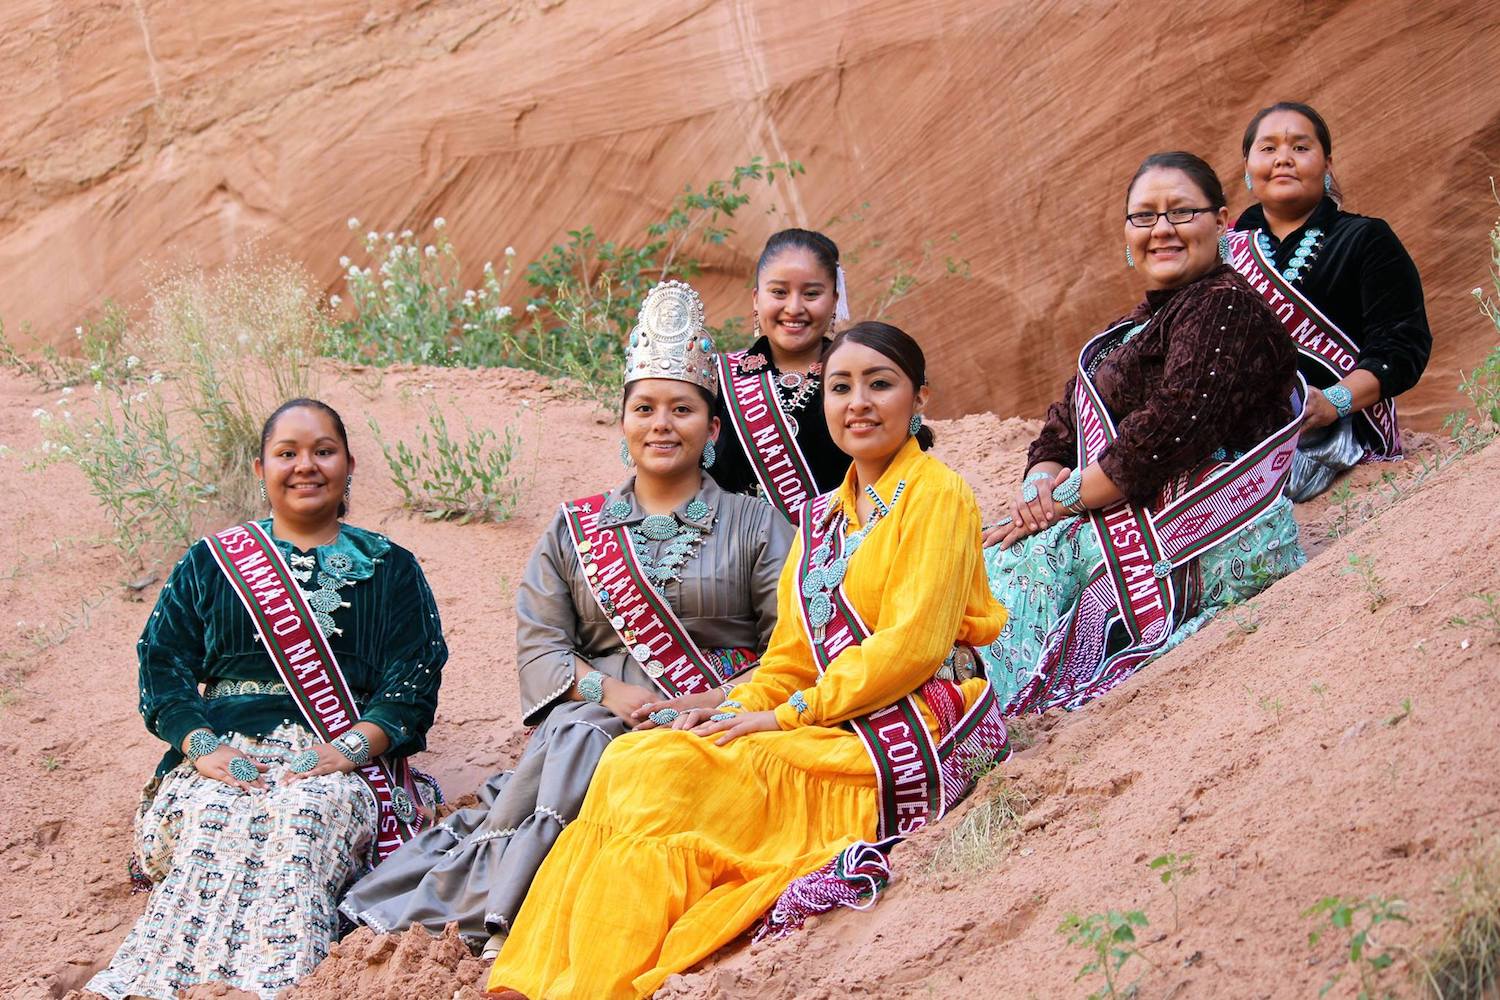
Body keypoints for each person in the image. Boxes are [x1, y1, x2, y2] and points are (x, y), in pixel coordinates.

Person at [485, 321, 1010, 1000]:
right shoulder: (822, 517)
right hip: (825, 712)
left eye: (879, 385)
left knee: (681, 789)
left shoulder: (938, 495)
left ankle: (592, 985)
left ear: (920, 398)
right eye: (841, 387)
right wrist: (730, 712)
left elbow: (909, 649)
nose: (858, 403)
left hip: (907, 722)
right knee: (636, 761)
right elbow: (790, 657)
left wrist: (788, 715)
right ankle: (530, 980)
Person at [341, 281, 792, 958]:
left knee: (595, 747)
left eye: (682, 409)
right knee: (581, 734)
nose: (661, 424)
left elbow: (793, 646)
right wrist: (609, 692)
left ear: (713, 429)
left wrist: (710, 700)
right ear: (623, 424)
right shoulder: (573, 529)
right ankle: (509, 908)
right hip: (597, 719)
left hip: (717, 715)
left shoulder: (758, 526)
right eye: (644, 408)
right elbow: (542, 642)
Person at [87, 399, 447, 999]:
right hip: (224, 755)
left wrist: (353, 747)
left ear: (349, 464)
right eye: (287, 453)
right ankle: (155, 985)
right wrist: (201, 747)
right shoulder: (210, 563)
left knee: (303, 822)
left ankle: (279, 985)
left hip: (336, 761)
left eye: (323, 451)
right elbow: (162, 664)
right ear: (261, 469)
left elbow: (414, 677)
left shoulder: (392, 567)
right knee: (212, 818)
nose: (306, 466)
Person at [977, 152, 1306, 715]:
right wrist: (1036, 490)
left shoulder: (1225, 307)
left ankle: (980, 716)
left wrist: (1057, 505)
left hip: (1202, 530)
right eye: (1144, 217)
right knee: (985, 558)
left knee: (1005, 572)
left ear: (1222, 221)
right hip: (1121, 506)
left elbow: (1165, 434)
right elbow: (1062, 426)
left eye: (1182, 213)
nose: (1162, 231)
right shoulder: (1134, 326)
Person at [1227, 101, 1432, 499]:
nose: (1283, 158)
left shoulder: (1366, 239)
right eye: (1268, 149)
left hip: (1338, 440)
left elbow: (1402, 346)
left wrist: (1332, 402)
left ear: (1327, 165)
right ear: (1247, 168)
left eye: (1300, 148)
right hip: (1237, 441)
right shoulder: (1223, 252)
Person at [708, 228, 852, 522]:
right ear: (756, 298)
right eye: (779, 292)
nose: (794, 307)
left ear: (834, 299)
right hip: (728, 555)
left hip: (833, 558)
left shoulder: (855, 379)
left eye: (811, 293)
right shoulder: (715, 378)